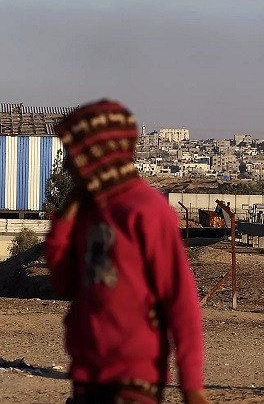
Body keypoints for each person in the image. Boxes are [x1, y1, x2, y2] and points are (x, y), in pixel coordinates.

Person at [44, 99, 209, 404]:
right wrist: (65, 221)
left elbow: (180, 301)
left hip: (134, 379)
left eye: (74, 154)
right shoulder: (89, 213)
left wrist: (192, 385)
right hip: (88, 375)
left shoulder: (145, 210)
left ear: (98, 155)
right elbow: (64, 283)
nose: (67, 165)